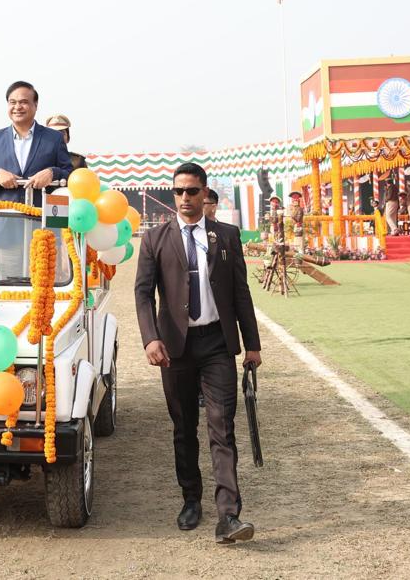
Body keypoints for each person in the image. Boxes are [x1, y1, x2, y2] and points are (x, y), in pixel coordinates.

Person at [133, 162, 260, 544]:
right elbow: (142, 293)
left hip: (217, 344)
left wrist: (251, 344)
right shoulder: (155, 239)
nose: (185, 198)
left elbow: (240, 292)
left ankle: (229, 516)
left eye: (192, 191)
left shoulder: (227, 236)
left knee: (222, 427)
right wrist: (150, 339)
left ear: (205, 193)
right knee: (183, 427)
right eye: (179, 192)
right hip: (174, 348)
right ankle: (191, 499)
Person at [0, 81, 72, 276]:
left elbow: (69, 173)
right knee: (11, 286)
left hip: (44, 226)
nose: (17, 107)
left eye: (24, 102)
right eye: (12, 102)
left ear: (35, 106)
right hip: (6, 228)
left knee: (44, 284)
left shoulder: (53, 138)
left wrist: (52, 172)